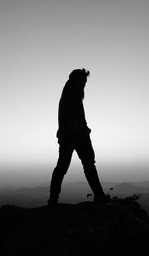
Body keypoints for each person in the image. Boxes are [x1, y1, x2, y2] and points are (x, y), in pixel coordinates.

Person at [48, 68, 110, 205]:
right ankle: (99, 195)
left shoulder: (69, 91)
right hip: (75, 135)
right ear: (77, 79)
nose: (84, 84)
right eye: (83, 81)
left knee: (64, 166)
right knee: (86, 165)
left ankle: (53, 199)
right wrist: (83, 129)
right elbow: (73, 117)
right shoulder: (72, 92)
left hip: (69, 135)